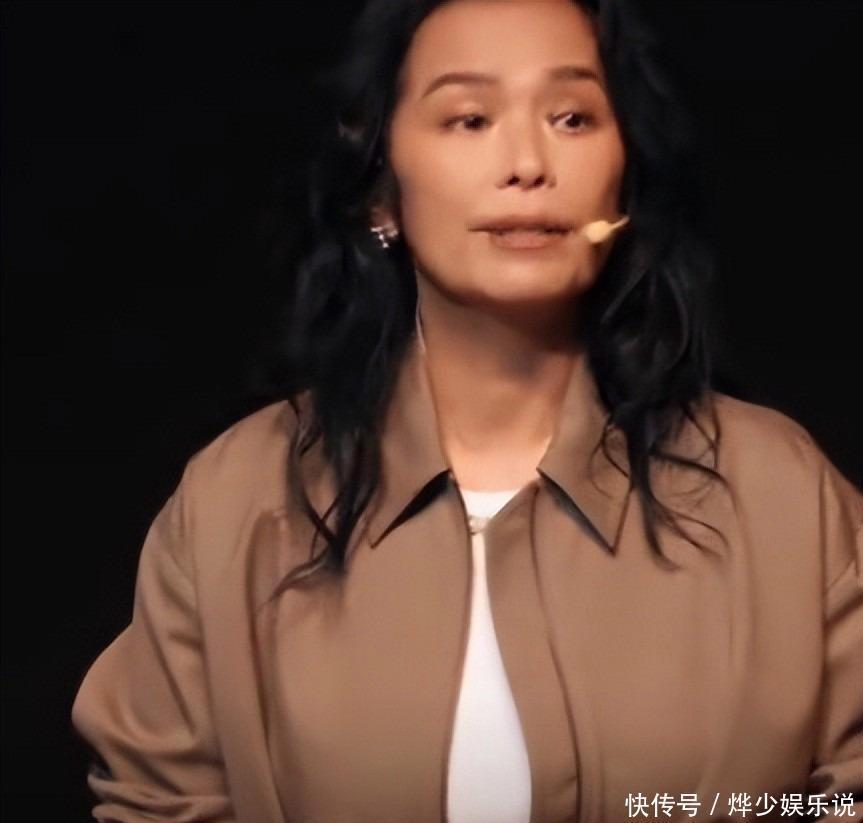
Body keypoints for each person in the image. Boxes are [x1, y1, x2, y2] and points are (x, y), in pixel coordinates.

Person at [71, 1, 862, 821]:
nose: (526, 163)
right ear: (380, 188)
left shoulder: (778, 493)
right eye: (470, 119)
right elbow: (158, 801)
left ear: (623, 173)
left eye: (570, 117)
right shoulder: (237, 501)